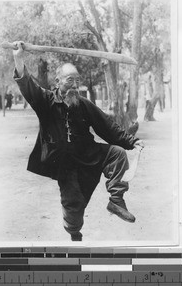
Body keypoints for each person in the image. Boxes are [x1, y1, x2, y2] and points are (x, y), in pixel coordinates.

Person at [13, 41, 144, 241]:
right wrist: (18, 57)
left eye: (77, 80)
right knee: (74, 204)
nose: (74, 85)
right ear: (57, 81)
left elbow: (107, 126)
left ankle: (116, 201)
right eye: (69, 80)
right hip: (64, 163)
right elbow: (27, 84)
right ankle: (74, 233)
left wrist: (131, 141)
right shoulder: (45, 101)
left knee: (117, 153)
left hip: (88, 154)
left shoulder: (83, 104)